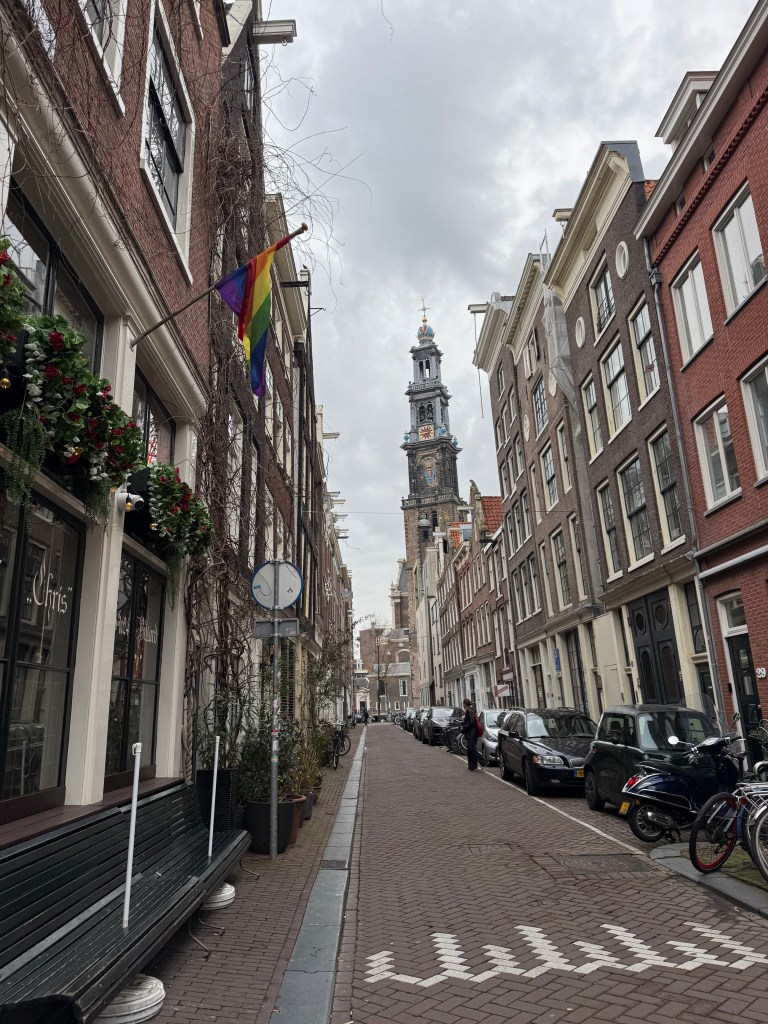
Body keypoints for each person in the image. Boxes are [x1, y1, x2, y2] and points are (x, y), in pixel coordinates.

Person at [462, 698, 486, 772]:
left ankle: (484, 761)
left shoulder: (469, 711)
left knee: (471, 749)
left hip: (472, 733)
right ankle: (472, 766)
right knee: (469, 750)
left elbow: (471, 722)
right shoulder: (471, 711)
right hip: (471, 733)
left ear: (464, 704)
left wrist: (464, 728)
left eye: (463, 704)